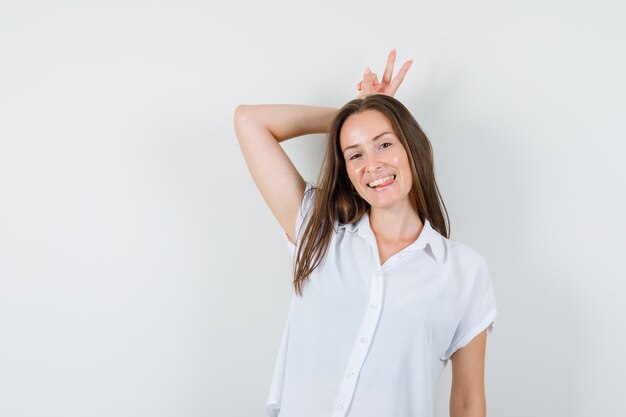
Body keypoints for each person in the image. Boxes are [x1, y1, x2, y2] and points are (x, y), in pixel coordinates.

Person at [233, 50, 498, 417]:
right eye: (354, 154)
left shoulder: (463, 271)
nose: (372, 164)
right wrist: (353, 113)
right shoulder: (319, 234)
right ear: (347, 171)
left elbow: (469, 402)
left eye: (384, 143)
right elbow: (249, 121)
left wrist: (368, 118)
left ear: (412, 148)